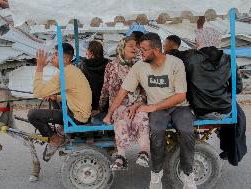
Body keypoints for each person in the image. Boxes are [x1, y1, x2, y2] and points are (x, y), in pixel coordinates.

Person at [103, 33, 196, 189]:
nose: (141, 53)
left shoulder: (176, 63)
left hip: (179, 107)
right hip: (158, 108)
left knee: (187, 132)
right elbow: (122, 92)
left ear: (157, 50)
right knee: (157, 132)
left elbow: (181, 96)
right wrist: (109, 113)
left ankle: (188, 175)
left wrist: (153, 107)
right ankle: (156, 174)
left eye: (144, 50)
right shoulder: (139, 66)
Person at [182, 28, 247, 166]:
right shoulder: (229, 59)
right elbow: (238, 88)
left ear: (200, 40)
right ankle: (232, 152)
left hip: (200, 111)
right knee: (238, 114)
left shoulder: (189, 59)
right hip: (224, 110)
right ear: (217, 40)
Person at [27, 43, 92, 161]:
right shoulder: (70, 70)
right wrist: (56, 97)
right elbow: (72, 95)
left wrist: (40, 67)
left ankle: (55, 139)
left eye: (56, 54)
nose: (52, 57)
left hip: (77, 116)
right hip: (79, 111)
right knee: (54, 98)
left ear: (66, 59)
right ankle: (61, 130)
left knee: (32, 115)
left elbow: (38, 92)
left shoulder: (64, 74)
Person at [99, 36, 150, 170]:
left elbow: (146, 90)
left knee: (142, 117)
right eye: (131, 45)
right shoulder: (112, 66)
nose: (135, 48)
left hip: (137, 103)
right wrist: (100, 107)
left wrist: (138, 104)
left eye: (136, 46)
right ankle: (121, 157)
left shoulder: (141, 65)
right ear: (122, 48)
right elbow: (105, 88)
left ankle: (144, 153)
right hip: (118, 104)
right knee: (120, 119)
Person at [78, 41, 109, 112]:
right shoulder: (109, 64)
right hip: (106, 103)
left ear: (91, 53)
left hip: (89, 103)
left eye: (87, 51)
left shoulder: (83, 65)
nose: (86, 53)